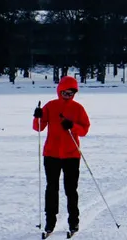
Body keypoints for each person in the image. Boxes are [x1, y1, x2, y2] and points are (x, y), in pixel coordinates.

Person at [34, 76, 91, 236]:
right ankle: (50, 222)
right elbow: (38, 127)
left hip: (71, 154)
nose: (67, 95)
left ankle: (74, 221)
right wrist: (37, 116)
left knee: (71, 189)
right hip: (51, 153)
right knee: (51, 188)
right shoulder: (51, 106)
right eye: (65, 92)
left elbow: (85, 129)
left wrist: (72, 126)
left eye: (71, 93)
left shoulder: (78, 108)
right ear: (59, 91)